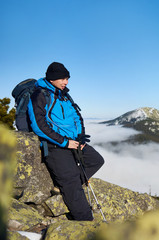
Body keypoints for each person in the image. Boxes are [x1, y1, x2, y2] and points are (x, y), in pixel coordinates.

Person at [27, 62, 104, 221]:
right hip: (55, 146)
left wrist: (81, 137)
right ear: (52, 78)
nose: (66, 82)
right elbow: (38, 125)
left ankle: (65, 184)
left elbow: (77, 117)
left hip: (74, 142)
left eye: (67, 78)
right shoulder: (39, 95)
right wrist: (64, 142)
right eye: (62, 78)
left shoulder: (64, 95)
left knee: (96, 160)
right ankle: (86, 225)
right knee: (73, 187)